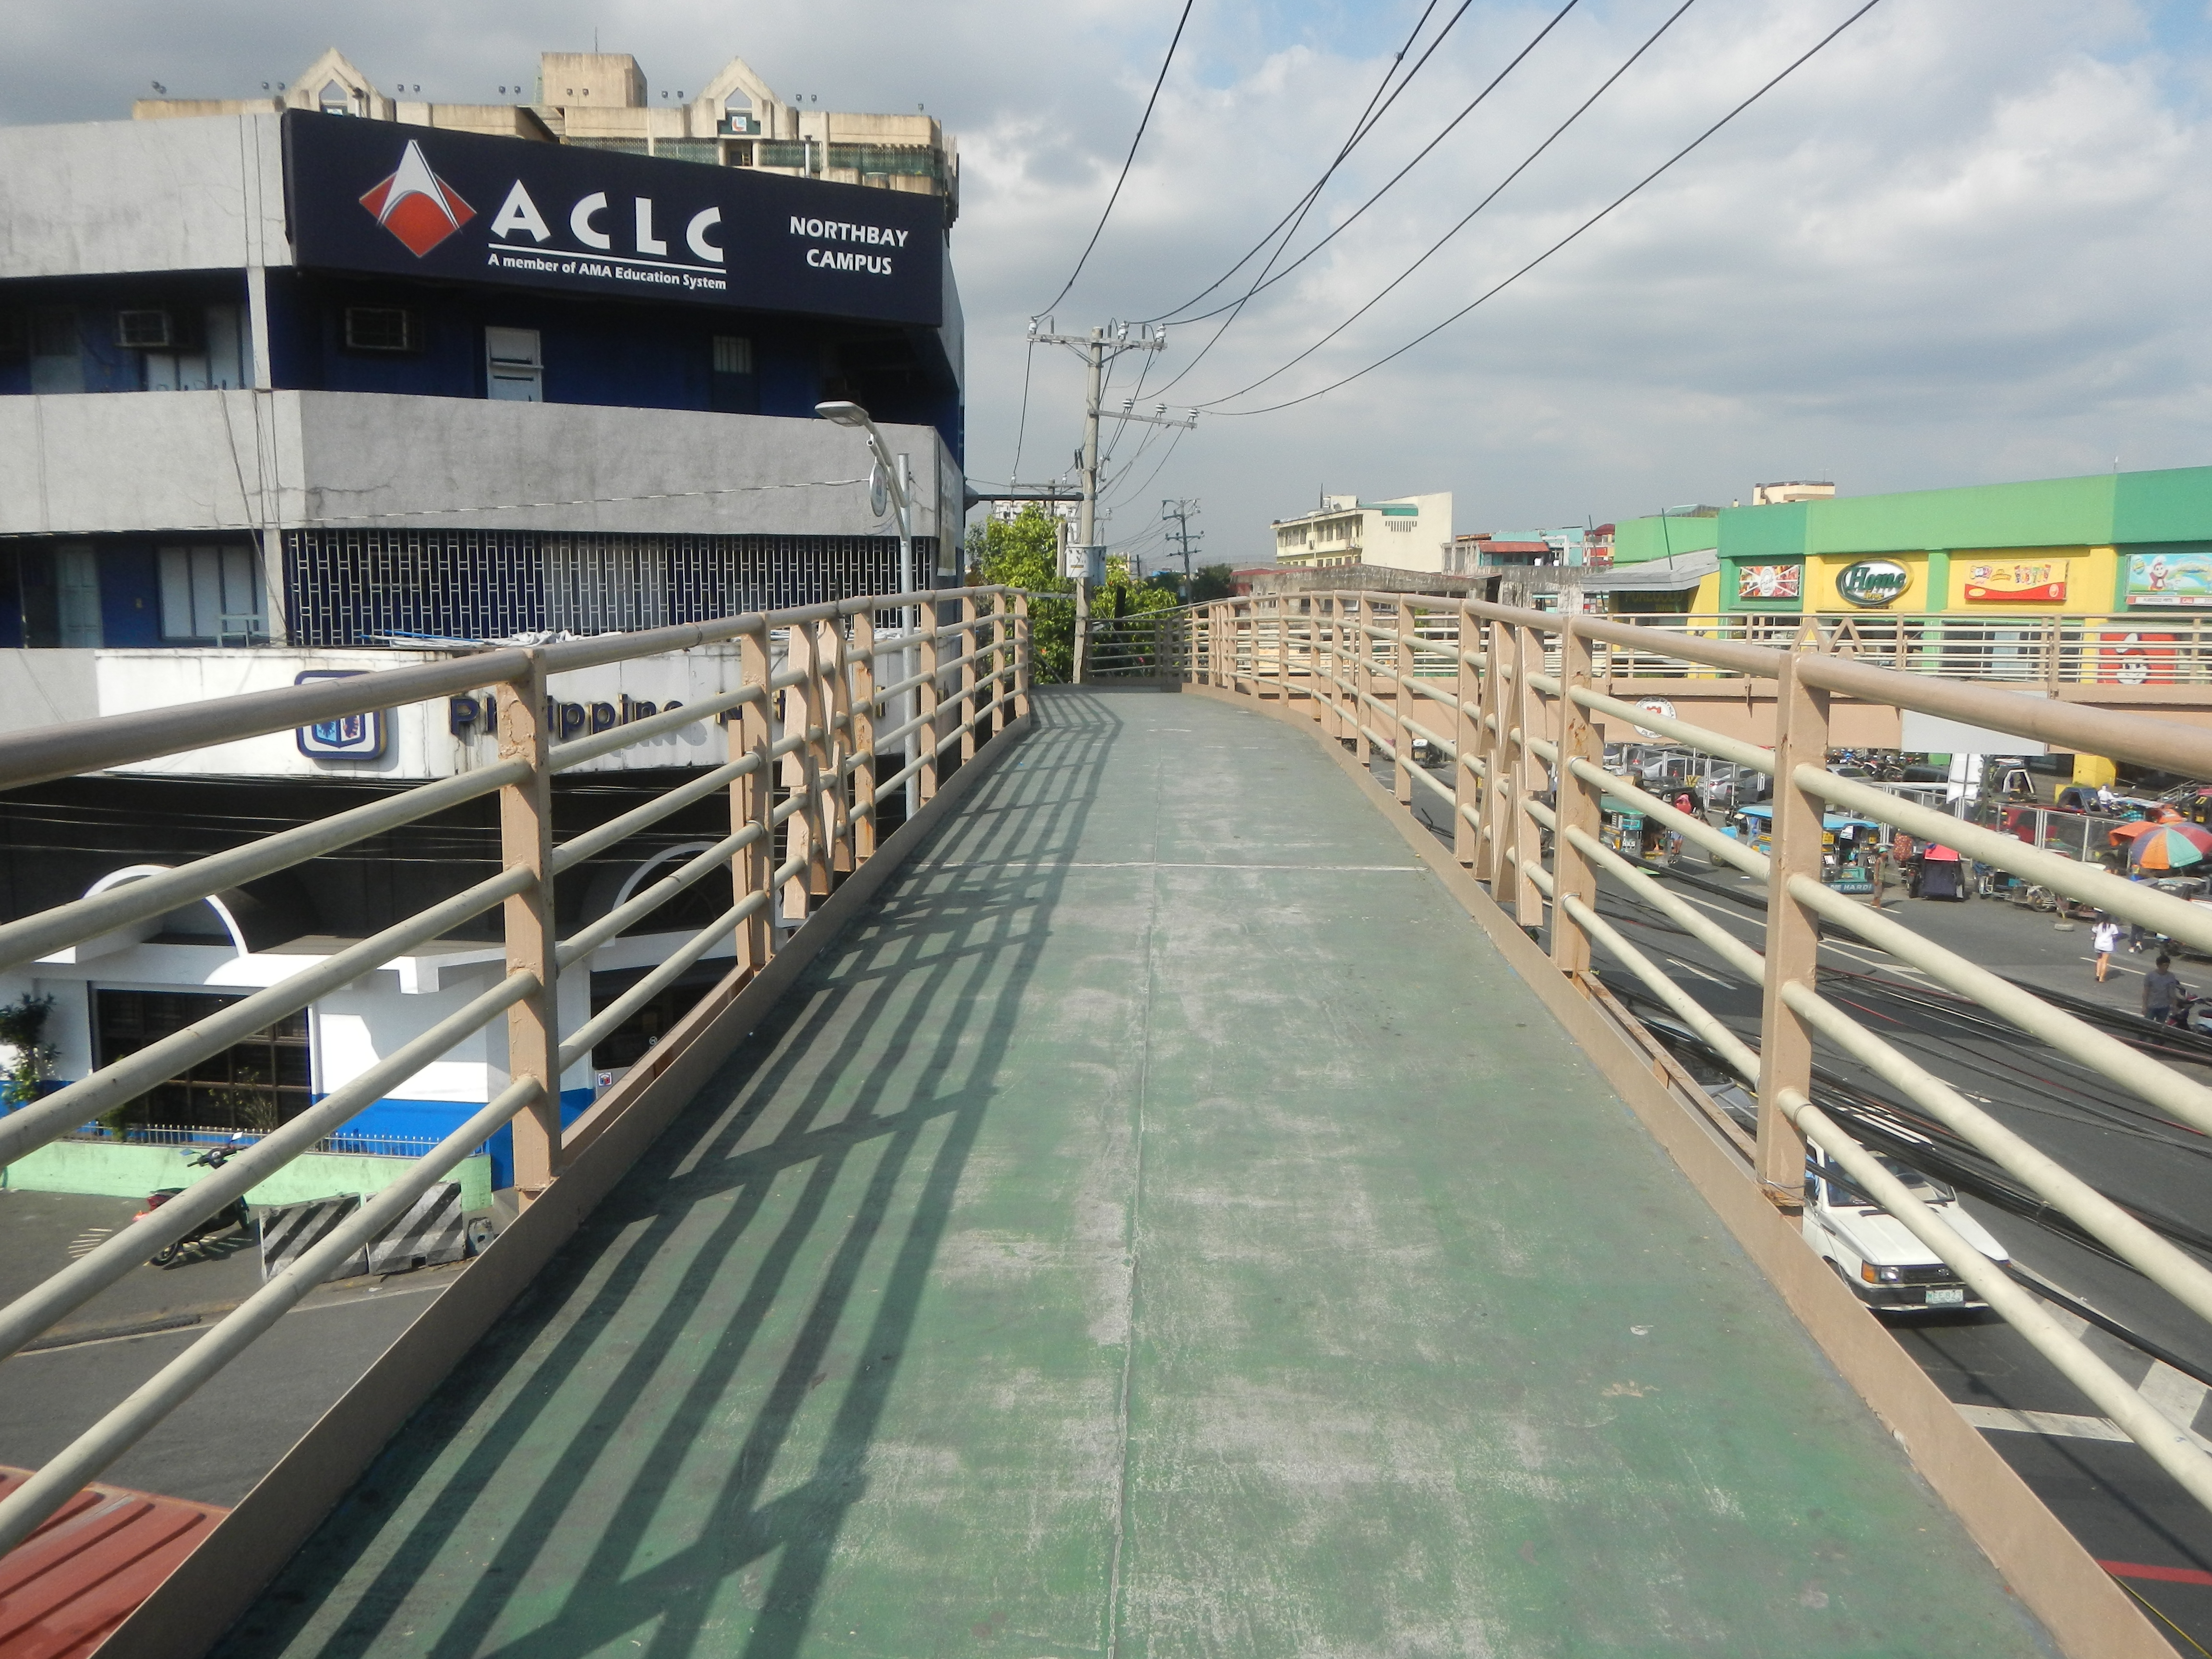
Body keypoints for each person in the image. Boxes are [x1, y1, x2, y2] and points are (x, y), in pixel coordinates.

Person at [2144, 954, 2185, 1024]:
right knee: (2148, 1025)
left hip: (2164, 1007)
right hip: (2151, 1006)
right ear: (2159, 965)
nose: (2166, 967)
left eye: (2168, 965)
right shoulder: (2150, 976)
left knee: (2160, 1026)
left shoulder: (2171, 977)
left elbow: (2172, 993)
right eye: (2164, 965)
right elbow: (2146, 992)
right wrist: (2144, 1006)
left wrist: (2174, 1006)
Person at [2092, 915, 2121, 983]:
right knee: (2105, 962)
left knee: (2099, 959)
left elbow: (2094, 932)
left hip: (2098, 945)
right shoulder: (2113, 926)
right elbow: (2115, 935)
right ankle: (2102, 978)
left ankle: (2098, 974)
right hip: (2108, 946)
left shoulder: (2098, 925)